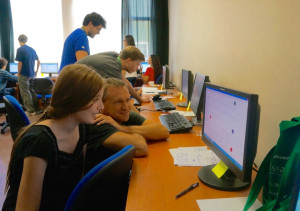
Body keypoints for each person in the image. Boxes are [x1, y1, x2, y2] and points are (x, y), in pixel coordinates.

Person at [3, 64, 106, 211]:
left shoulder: (82, 128)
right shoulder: (40, 141)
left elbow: (77, 183)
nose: (101, 106)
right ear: (75, 98)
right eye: (96, 99)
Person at [85, 78, 169, 170]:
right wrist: (145, 133)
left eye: (128, 100)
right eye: (118, 101)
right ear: (101, 104)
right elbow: (141, 146)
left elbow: (163, 131)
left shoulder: (122, 115)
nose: (126, 107)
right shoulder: (98, 122)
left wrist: (122, 128)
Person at [77, 46, 150, 103]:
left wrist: (140, 99)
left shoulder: (114, 56)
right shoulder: (113, 67)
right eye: (137, 64)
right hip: (75, 87)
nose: (137, 68)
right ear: (129, 60)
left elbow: (125, 82)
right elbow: (120, 97)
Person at [15, 34, 40, 115]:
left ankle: (30, 110)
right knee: (31, 91)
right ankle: (36, 109)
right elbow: (38, 61)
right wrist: (36, 72)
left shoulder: (20, 49)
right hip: (32, 74)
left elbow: (20, 63)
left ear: (19, 40)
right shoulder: (32, 49)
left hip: (24, 74)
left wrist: (18, 73)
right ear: (26, 40)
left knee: (25, 93)